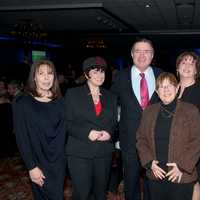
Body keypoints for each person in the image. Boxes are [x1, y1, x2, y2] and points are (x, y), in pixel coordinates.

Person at [111, 38, 162, 200]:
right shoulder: (120, 76)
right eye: (138, 51)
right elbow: (111, 106)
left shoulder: (161, 75)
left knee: (152, 181)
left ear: (152, 55)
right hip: (129, 140)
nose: (142, 55)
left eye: (146, 51)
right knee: (131, 181)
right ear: (132, 55)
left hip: (155, 140)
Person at [136, 72, 200, 200]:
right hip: (156, 174)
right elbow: (141, 139)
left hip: (181, 175)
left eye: (170, 86)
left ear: (177, 89)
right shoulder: (149, 111)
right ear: (157, 91)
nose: (166, 90)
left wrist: (182, 166)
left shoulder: (191, 110)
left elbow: (197, 141)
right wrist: (149, 163)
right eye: (161, 87)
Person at [65, 56, 118, 200]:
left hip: (104, 153)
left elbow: (114, 123)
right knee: (82, 193)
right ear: (86, 74)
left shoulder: (111, 97)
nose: (100, 75)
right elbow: (66, 123)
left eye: (102, 72)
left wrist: (110, 134)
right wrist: (87, 133)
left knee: (101, 193)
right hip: (79, 153)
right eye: (95, 72)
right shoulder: (73, 94)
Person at [12, 60, 66, 200]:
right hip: (38, 163)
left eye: (50, 73)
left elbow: (67, 131)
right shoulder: (22, 102)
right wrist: (31, 166)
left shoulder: (61, 101)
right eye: (41, 73)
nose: (46, 78)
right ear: (34, 77)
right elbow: (22, 137)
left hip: (59, 162)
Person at [176, 51, 200, 200]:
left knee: (194, 184)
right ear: (177, 67)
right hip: (170, 149)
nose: (187, 66)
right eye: (184, 62)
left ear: (197, 70)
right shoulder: (167, 87)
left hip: (194, 149)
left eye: (192, 63)